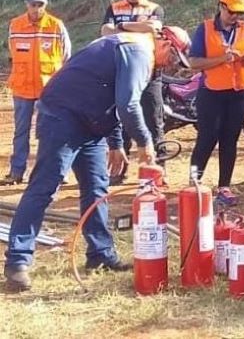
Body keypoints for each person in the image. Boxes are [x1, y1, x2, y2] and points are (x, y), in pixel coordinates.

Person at [3, 26, 191, 292]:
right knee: (44, 188)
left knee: (96, 188)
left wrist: (115, 143)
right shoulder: (139, 51)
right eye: (173, 57)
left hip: (89, 122)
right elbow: (127, 104)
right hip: (63, 115)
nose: (171, 65)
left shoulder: (134, 51)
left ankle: (100, 254)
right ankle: (17, 263)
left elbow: (111, 97)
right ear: (163, 41)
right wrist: (145, 143)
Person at [188, 0, 244, 206]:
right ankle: (194, 183)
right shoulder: (205, 29)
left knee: (230, 140)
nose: (236, 16)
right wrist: (222, 59)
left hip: (241, 92)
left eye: (239, 12)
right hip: (212, 93)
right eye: (232, 12)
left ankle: (224, 187)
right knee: (207, 138)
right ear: (221, 7)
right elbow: (194, 62)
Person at [100, 0, 165, 183]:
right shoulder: (113, 7)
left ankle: (157, 171)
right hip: (120, 69)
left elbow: (153, 28)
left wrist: (122, 26)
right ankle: (120, 170)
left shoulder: (155, 8)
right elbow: (104, 31)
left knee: (154, 121)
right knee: (122, 119)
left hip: (149, 70)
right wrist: (138, 27)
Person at [3, 0, 72, 186]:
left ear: (46, 4)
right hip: (22, 88)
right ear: (26, 4)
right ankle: (17, 172)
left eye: (40, 4)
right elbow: (12, 53)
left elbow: (66, 56)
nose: (36, 8)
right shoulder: (15, 25)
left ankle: (56, 172)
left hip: (48, 90)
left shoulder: (56, 26)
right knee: (21, 132)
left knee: (51, 131)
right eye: (33, 4)